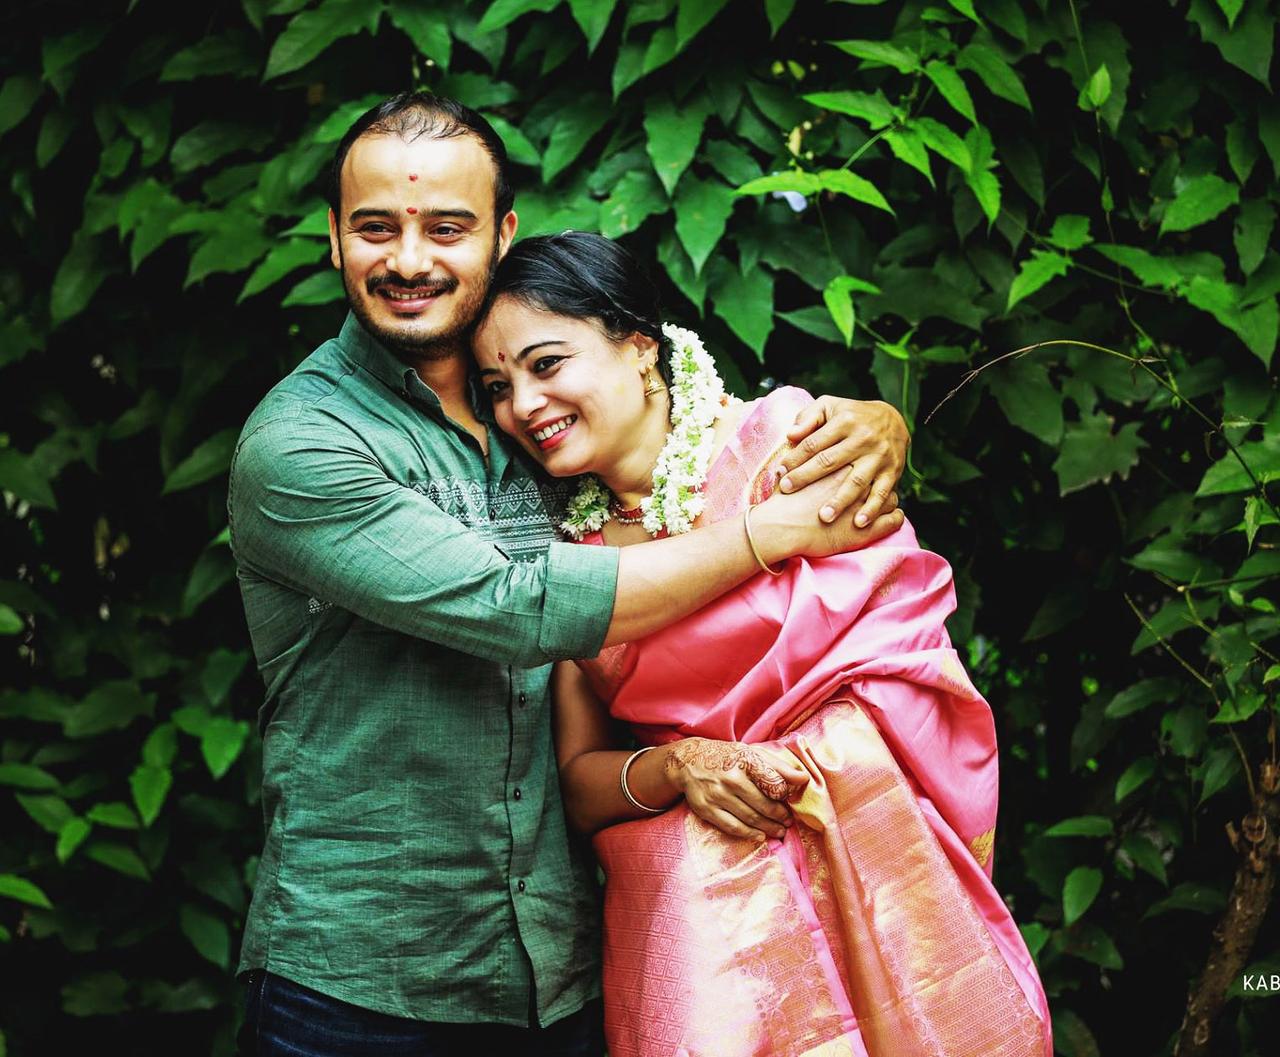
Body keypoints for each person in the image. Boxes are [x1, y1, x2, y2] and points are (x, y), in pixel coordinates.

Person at [228, 91, 910, 1055]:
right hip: (360, 987)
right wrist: (775, 531)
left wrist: (879, 426)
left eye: (447, 227)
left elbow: (687, 456)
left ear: (501, 237)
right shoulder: (304, 445)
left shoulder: (545, 416)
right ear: (334, 239)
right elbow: (520, 607)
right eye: (376, 227)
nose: (411, 259)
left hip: (560, 977)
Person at [472, 231, 1053, 1057]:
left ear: (640, 348)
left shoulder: (785, 444)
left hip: (872, 848)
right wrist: (682, 766)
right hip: (708, 913)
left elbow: (903, 645)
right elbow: (579, 782)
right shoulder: (568, 566)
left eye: (546, 363)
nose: (523, 404)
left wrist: (817, 755)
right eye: (498, 386)